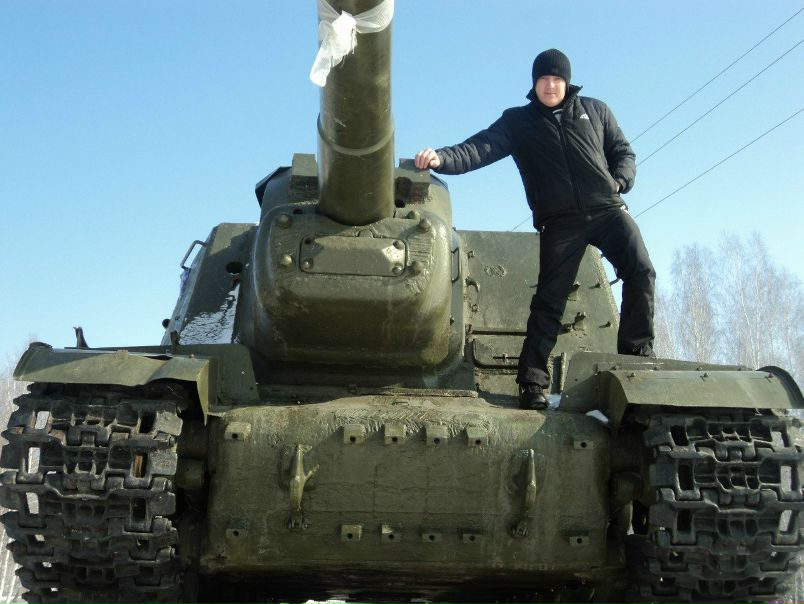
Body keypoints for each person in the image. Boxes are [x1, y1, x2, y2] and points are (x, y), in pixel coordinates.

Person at [415, 48, 656, 411]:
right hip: (561, 222)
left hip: (607, 210)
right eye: (544, 79)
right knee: (550, 301)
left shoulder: (596, 111)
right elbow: (480, 147)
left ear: (567, 83)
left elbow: (623, 152)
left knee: (641, 271)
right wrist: (442, 158)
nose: (550, 85)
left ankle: (635, 359)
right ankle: (532, 383)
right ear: (534, 83)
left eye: (557, 79)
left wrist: (619, 181)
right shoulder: (519, 122)